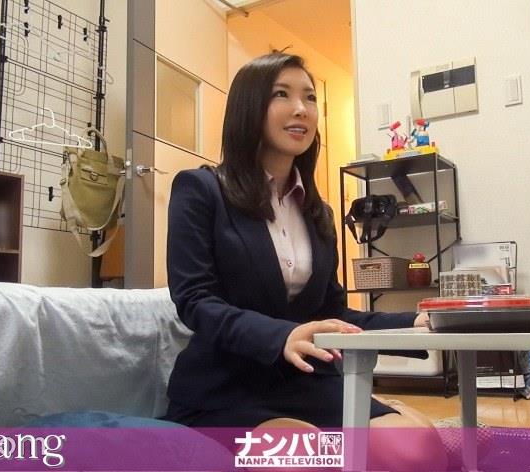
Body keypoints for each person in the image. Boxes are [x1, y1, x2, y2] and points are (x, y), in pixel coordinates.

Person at [162, 53, 447, 469]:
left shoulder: (319, 213)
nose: (301, 109)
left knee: (419, 453)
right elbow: (194, 300)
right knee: (308, 456)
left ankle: (378, 412)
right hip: (227, 388)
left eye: (310, 97)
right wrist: (282, 336)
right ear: (249, 107)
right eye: (281, 94)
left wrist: (415, 322)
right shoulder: (201, 190)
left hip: (307, 384)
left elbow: (332, 316)